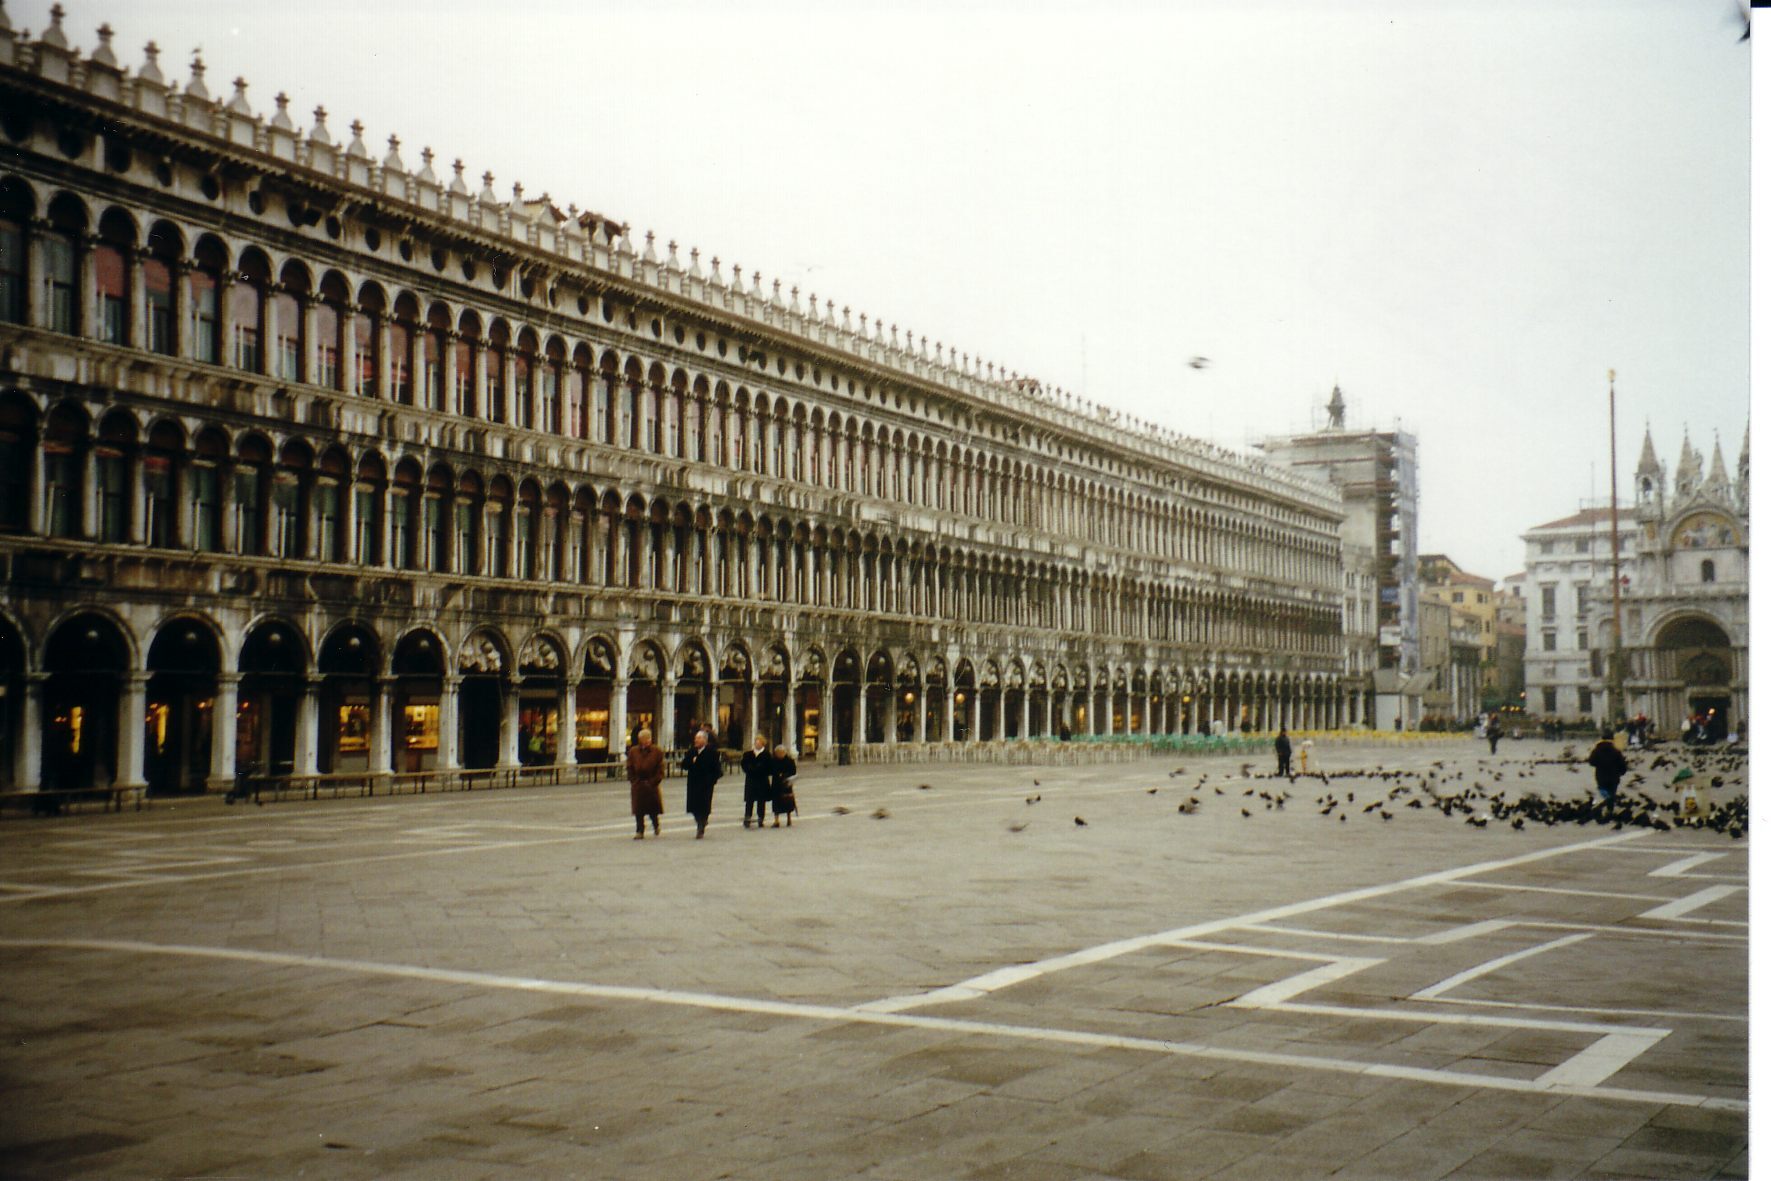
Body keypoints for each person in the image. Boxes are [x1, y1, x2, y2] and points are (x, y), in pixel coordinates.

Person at [683, 728, 722, 839]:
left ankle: (701, 825)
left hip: (706, 784)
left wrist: (712, 781)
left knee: (704, 806)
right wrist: (692, 761)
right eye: (695, 738)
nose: (696, 740)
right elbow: (684, 765)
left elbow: (717, 769)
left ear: (705, 740)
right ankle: (700, 821)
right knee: (693, 807)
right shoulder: (692, 751)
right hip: (693, 783)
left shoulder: (712, 752)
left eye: (699, 738)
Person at [626, 728, 664, 839]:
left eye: (649, 738)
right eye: (644, 739)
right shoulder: (633, 751)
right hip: (638, 783)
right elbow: (630, 767)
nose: (647, 741)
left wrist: (654, 781)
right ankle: (640, 830)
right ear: (640, 740)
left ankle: (656, 825)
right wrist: (633, 780)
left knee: (653, 809)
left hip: (651, 783)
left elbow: (660, 769)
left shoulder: (657, 751)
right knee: (639, 809)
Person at [741, 735, 773, 829]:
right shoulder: (748, 754)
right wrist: (750, 769)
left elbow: (769, 767)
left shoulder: (767, 755)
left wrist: (760, 769)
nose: (757, 744)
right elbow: (744, 765)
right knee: (749, 800)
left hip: (762, 780)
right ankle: (747, 817)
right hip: (751, 779)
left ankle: (760, 818)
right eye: (756, 742)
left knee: (761, 800)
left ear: (763, 744)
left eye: (759, 742)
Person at [1585, 735, 1627, 805]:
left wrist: (1599, 764)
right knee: (1612, 792)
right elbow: (1622, 764)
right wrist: (1622, 772)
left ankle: (1607, 798)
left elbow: (1591, 762)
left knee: (1602, 789)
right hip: (1614, 776)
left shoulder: (1596, 750)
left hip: (1601, 775)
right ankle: (1610, 810)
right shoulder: (1616, 751)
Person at [770, 744, 798, 827]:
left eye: (781, 753)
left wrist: (785, 775)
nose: (780, 754)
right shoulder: (773, 760)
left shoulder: (790, 761)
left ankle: (789, 819)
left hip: (786, 784)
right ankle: (776, 821)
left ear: (784, 752)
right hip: (776, 784)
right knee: (776, 803)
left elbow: (793, 771)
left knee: (788, 802)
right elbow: (770, 770)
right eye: (778, 753)